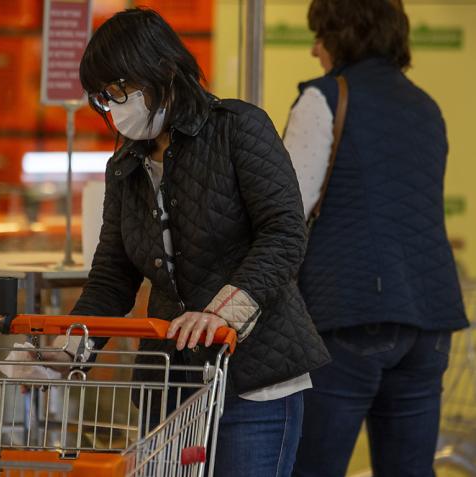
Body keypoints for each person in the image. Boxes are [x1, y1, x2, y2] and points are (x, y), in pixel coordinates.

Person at [54, 8, 330, 476]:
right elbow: (112, 278)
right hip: (171, 385)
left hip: (254, 381)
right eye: (102, 98)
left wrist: (221, 313)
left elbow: (284, 234)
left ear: (162, 70)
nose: (113, 107)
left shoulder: (238, 128)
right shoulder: (125, 164)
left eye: (119, 91)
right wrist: (64, 351)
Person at [284, 1, 469, 476]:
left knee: (313, 468)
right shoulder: (426, 107)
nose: (313, 49)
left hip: (350, 312)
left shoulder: (325, 97)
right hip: (429, 319)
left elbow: (285, 211)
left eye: (320, 35)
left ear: (341, 35)